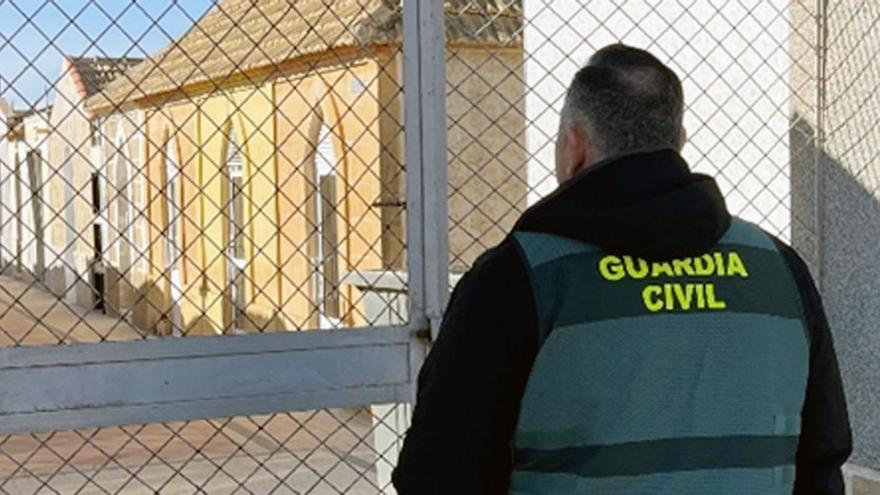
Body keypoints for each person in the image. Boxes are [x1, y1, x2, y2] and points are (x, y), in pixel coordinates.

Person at [391, 44, 852, 494]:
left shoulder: (520, 278)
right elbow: (821, 460)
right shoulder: (778, 270)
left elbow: (438, 473)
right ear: (678, 144)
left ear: (574, 146)